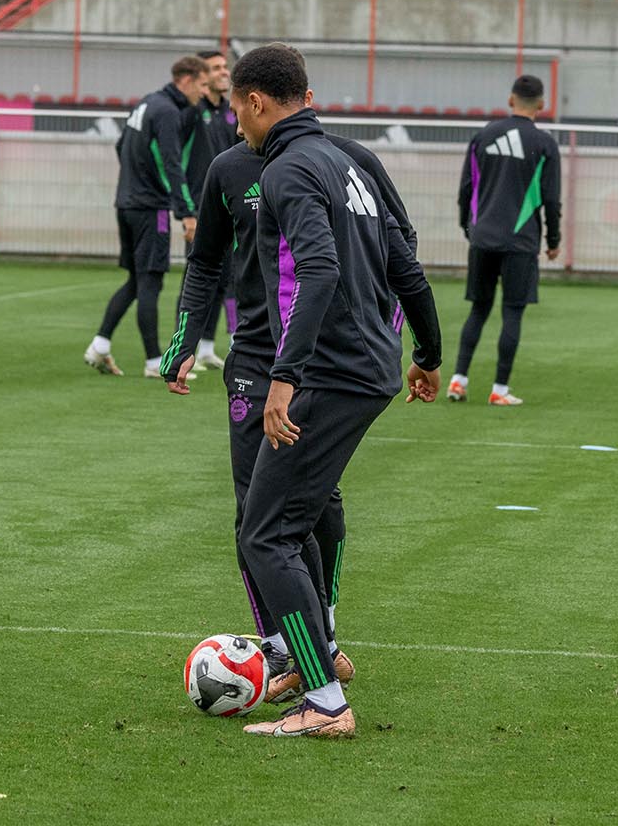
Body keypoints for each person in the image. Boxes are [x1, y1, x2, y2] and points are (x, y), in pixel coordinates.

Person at [161, 71, 416, 705]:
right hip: (254, 357)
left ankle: (319, 641)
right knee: (258, 507)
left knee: (310, 503)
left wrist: (390, 323)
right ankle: (283, 644)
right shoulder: (226, 170)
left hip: (324, 360)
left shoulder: (347, 159)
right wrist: (183, 341)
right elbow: (207, 263)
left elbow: (400, 244)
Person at [220, 42, 441, 739]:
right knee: (292, 524)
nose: (236, 126)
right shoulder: (352, 160)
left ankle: (322, 700)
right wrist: (429, 352)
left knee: (265, 535)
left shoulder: (286, 171)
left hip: (327, 374)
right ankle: (319, 665)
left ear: (256, 101)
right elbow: (406, 263)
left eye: (236, 108)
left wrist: (284, 379)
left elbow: (317, 274)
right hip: (372, 367)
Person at [84, 55, 207, 378]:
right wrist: (186, 212)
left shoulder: (147, 103)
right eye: (203, 85)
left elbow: (121, 145)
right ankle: (154, 362)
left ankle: (99, 345)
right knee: (151, 280)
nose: (203, 93)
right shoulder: (167, 112)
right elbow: (172, 163)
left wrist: (133, 182)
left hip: (125, 204)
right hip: (152, 209)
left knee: (137, 280)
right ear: (188, 80)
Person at [448, 75, 562, 407]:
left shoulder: (483, 135)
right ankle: (499, 389)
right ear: (541, 104)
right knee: (512, 312)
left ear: (511, 100)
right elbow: (551, 200)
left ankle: (458, 380)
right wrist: (553, 240)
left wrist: (468, 227)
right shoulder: (545, 144)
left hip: (482, 238)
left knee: (478, 309)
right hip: (521, 241)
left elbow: (466, 188)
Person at [176, 48, 241, 377]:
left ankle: (207, 347)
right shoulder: (191, 111)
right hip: (199, 210)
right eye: (216, 68)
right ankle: (180, 348)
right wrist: (185, 208)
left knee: (226, 279)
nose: (223, 72)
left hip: (227, 206)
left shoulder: (230, 113)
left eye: (225, 67)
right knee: (197, 278)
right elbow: (177, 159)